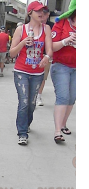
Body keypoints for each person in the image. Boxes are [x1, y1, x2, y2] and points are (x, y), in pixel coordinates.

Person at [10, 1, 53, 145]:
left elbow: (49, 49)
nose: (42, 14)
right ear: (30, 13)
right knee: (24, 102)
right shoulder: (21, 29)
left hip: (37, 73)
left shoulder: (46, 28)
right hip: (21, 71)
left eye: (44, 11)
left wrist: (46, 57)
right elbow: (11, 53)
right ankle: (22, 133)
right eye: (38, 11)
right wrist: (23, 42)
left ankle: (26, 123)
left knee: (32, 103)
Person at [50, 0, 76, 144]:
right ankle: (57, 131)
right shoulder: (62, 23)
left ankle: (63, 124)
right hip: (61, 65)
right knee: (63, 97)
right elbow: (52, 46)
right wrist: (66, 41)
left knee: (72, 98)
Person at [36, 7, 54, 106]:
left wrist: (48, 55)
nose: (42, 16)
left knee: (43, 76)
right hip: (34, 54)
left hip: (46, 55)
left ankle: (38, 96)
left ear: (48, 15)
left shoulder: (52, 26)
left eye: (44, 14)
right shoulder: (34, 24)